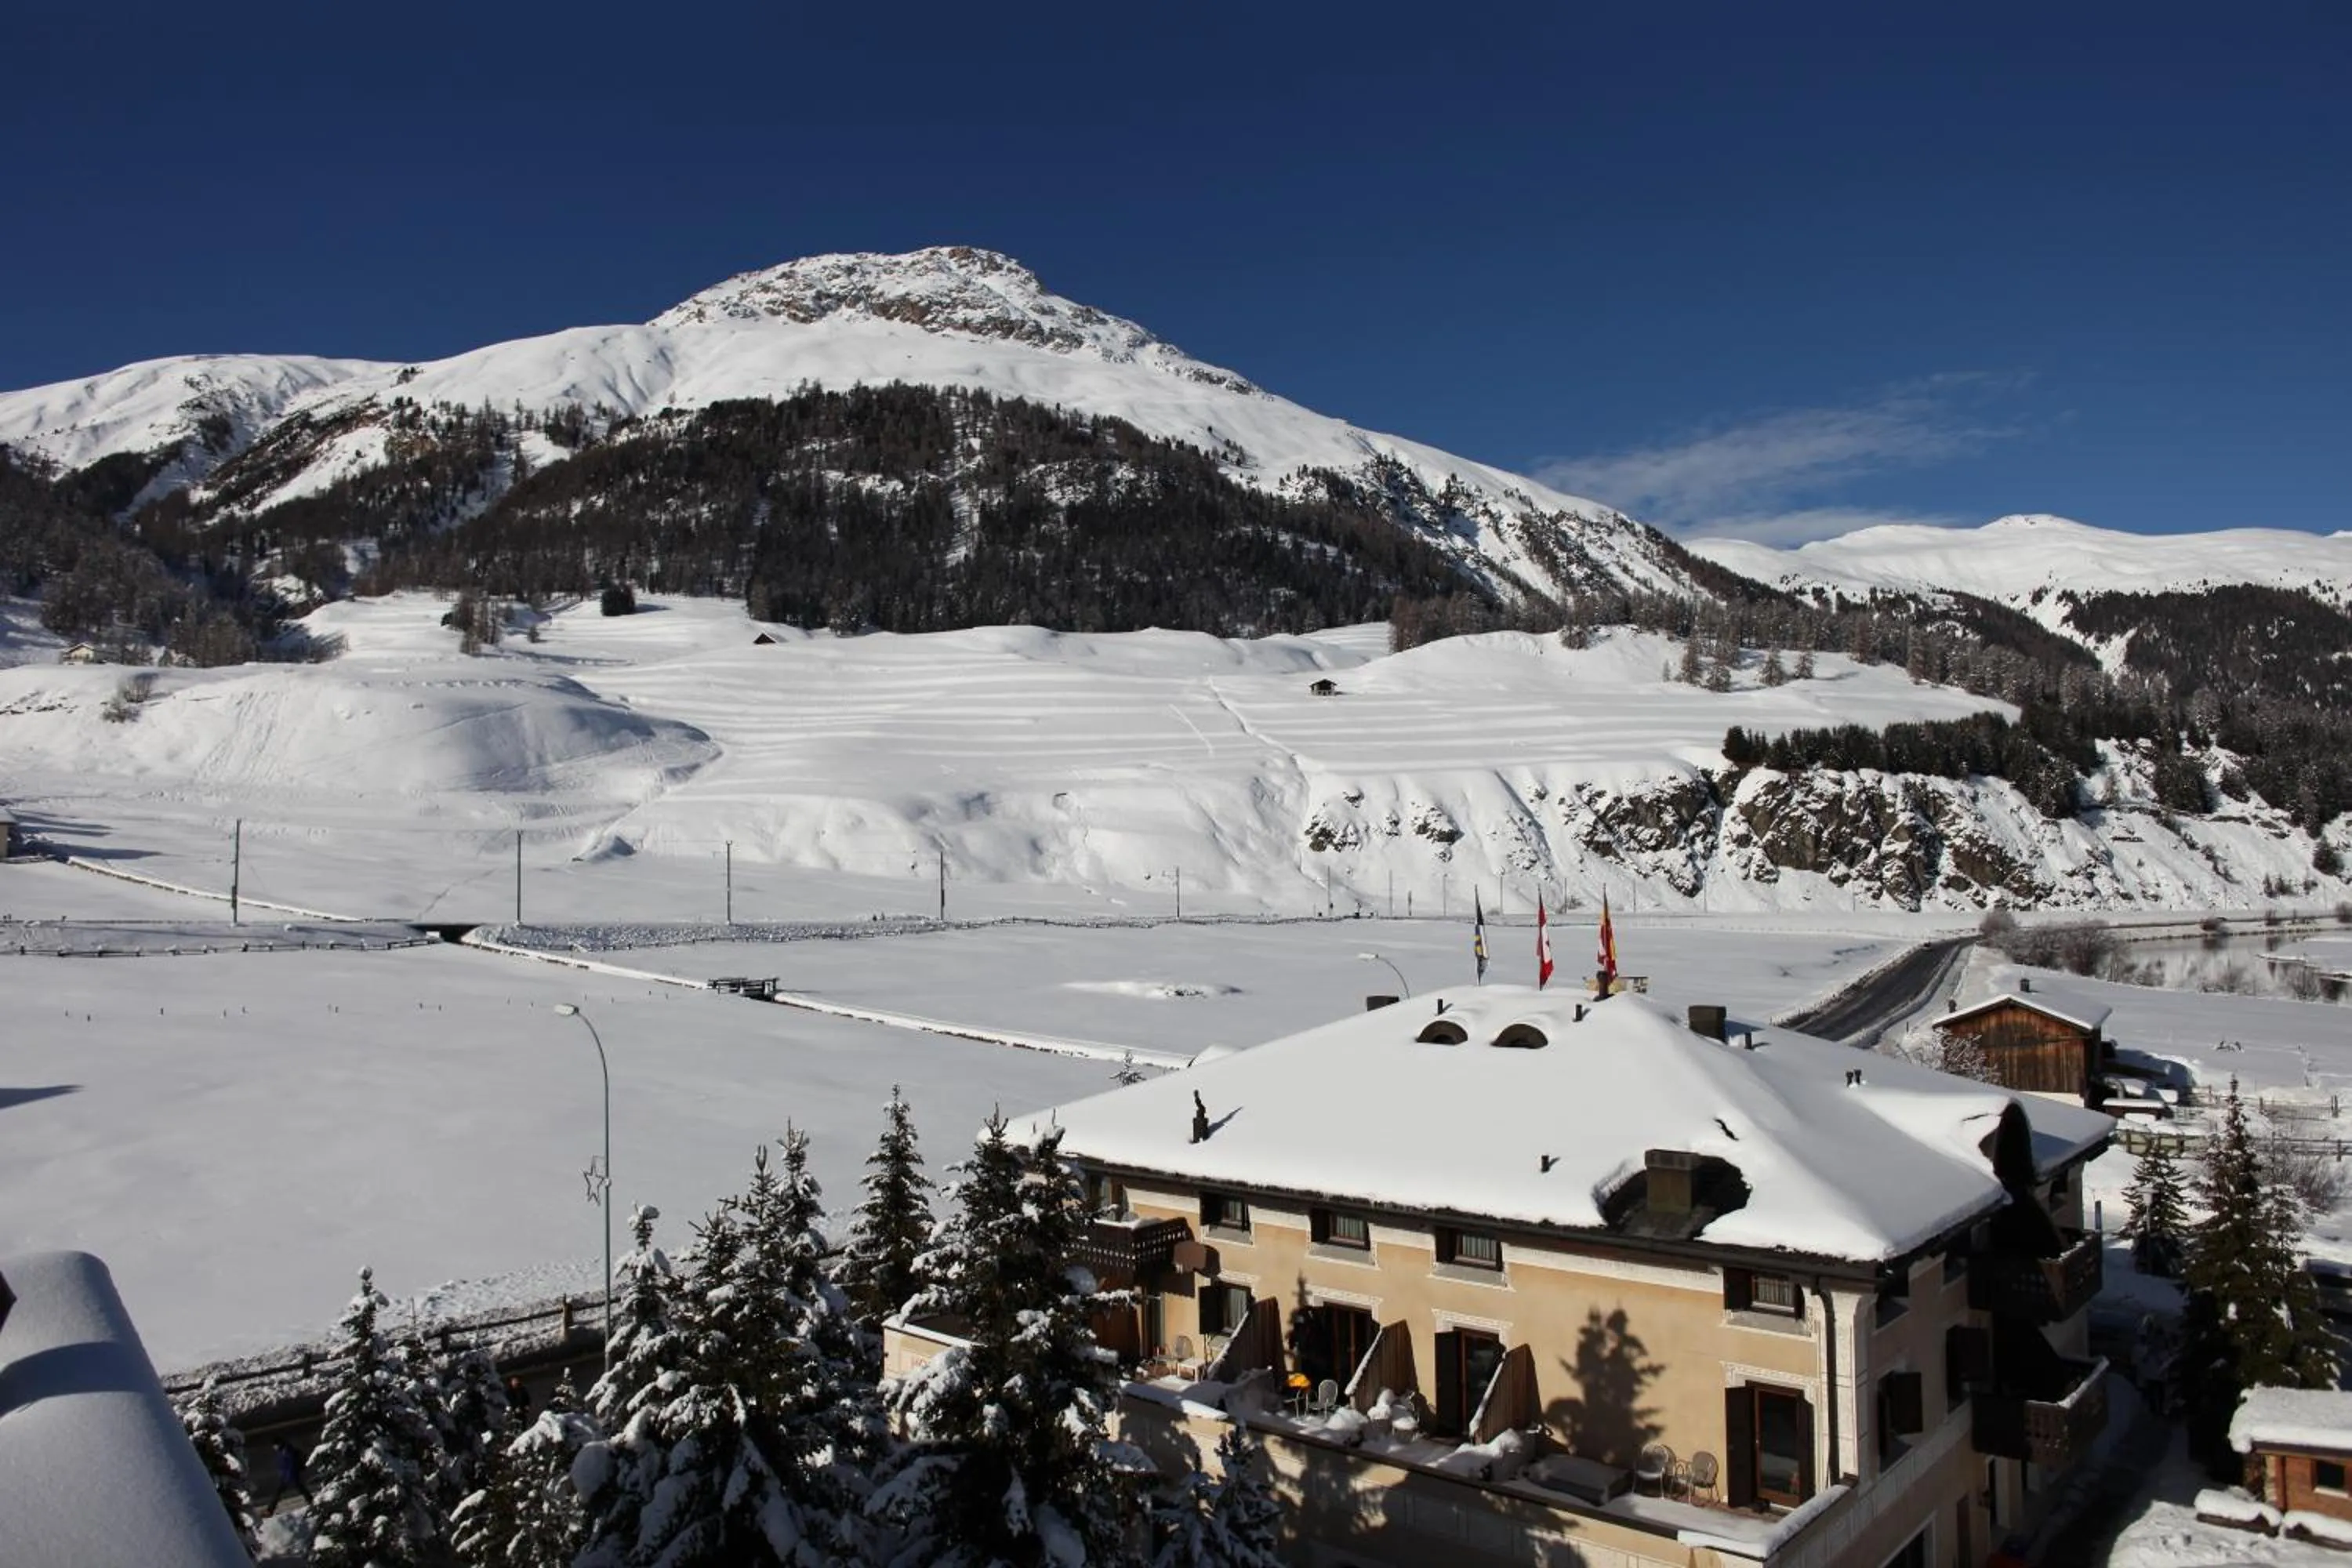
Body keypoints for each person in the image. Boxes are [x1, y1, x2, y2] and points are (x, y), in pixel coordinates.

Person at [271, 1439, 310, 1508]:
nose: (274, 1447)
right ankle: (311, 1501)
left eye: (275, 1445)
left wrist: (287, 1476)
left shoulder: (287, 1451)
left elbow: (291, 1465)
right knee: (302, 1489)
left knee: (301, 1489)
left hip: (291, 1476)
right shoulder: (282, 1451)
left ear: (279, 1444)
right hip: (287, 1476)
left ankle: (270, 1509)